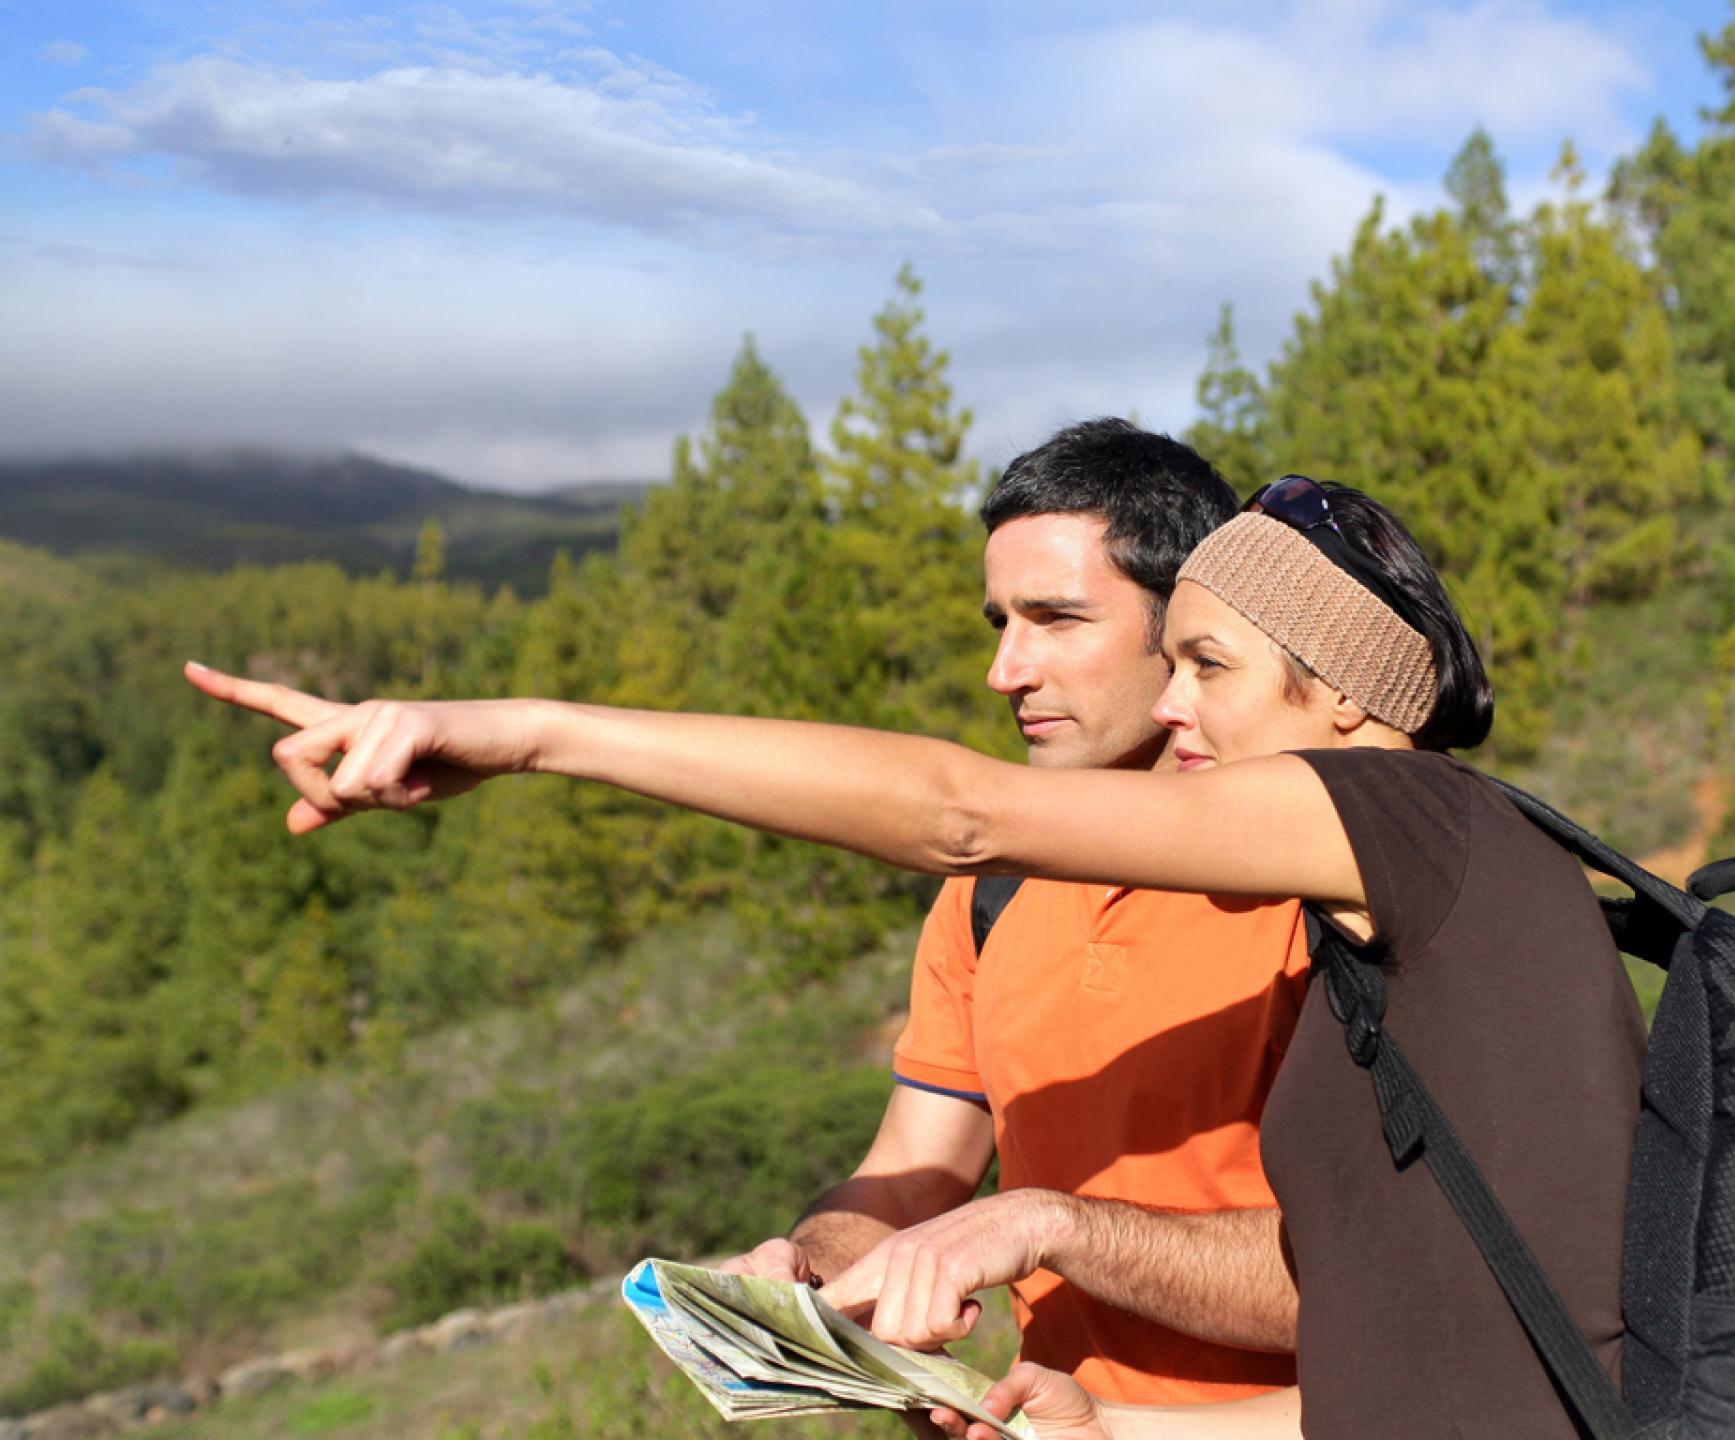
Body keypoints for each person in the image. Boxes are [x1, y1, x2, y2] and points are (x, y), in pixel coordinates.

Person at [186, 474, 1647, 1439]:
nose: (1178, 707)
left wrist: (529, 734)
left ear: (1335, 692)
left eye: (1210, 666)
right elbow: (1418, 1354)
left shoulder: (1409, 818)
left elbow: (956, 811)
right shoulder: (1389, 946)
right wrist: (1117, 1426)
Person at [719, 419, 1311, 1409]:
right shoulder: (993, 891)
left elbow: (1396, 1274)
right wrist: (811, 1274)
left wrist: (1054, 1225)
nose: (1007, 671)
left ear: (1191, 627)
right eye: (1000, 622)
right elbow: (915, 1168)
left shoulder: (1322, 883)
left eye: (1057, 619)